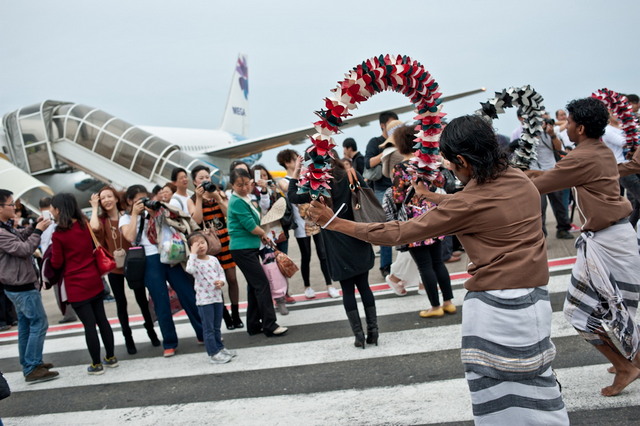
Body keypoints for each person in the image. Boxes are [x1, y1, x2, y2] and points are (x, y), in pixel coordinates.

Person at [308, 115, 569, 424]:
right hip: (537, 302)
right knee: (538, 385)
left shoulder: (469, 202)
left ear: (462, 160)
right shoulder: (518, 178)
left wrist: (333, 222)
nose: (452, 170)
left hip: (498, 311)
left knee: (498, 397)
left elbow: (398, 232)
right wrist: (431, 196)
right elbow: (469, 202)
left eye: (452, 164)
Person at [528, 97, 640, 397]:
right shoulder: (596, 150)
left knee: (579, 313)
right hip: (613, 237)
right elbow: (551, 175)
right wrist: (522, 173)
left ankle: (628, 365)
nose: (566, 127)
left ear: (580, 126)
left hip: (608, 241)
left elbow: (542, 183)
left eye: (569, 123)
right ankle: (631, 360)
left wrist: (505, 177)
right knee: (615, 310)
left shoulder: (584, 156)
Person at [288, 152, 378, 349]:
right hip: (357, 234)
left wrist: (296, 172)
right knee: (364, 286)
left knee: (347, 290)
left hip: (335, 242)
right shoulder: (349, 174)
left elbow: (293, 196)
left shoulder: (317, 186)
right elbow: (366, 191)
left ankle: (359, 336)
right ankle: (374, 331)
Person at [120, 185, 204, 357]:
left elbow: (173, 224)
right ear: (129, 201)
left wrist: (154, 211)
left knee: (188, 293)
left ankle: (203, 333)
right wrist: (136, 214)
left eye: (144, 198)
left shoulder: (156, 208)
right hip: (150, 260)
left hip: (170, 253)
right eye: (137, 200)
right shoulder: (126, 218)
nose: (142, 202)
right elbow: (129, 237)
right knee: (161, 301)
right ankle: (169, 342)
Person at [390, 125, 455, 318]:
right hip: (432, 217)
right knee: (438, 262)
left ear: (401, 145)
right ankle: (448, 302)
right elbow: (441, 182)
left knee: (424, 266)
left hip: (413, 221)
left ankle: (435, 307)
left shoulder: (400, 168)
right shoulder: (427, 163)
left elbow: (398, 197)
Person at [50, 193, 118, 375]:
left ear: (59, 209)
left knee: (89, 324)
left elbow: (56, 263)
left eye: (52, 207)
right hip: (94, 279)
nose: (51, 210)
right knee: (102, 319)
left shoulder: (59, 234)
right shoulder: (84, 224)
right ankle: (111, 357)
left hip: (75, 284)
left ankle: (96, 364)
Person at [90, 186, 160, 354]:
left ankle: (151, 332)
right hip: (115, 268)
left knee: (142, 300)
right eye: (102, 198)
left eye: (109, 196)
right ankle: (128, 338)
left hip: (134, 264)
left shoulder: (126, 216)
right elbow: (93, 228)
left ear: (115, 198)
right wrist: (93, 207)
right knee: (121, 304)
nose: (106, 200)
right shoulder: (102, 220)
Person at [0, 189, 59, 383]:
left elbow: (20, 236)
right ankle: (33, 366)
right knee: (39, 323)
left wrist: (34, 226)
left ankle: (29, 363)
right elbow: (24, 249)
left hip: (17, 284)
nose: (14, 208)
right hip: (21, 285)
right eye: (10, 204)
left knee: (26, 325)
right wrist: (39, 231)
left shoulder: (5, 227)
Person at [226, 168, 288, 337]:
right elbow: (250, 226)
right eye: (239, 185)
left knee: (255, 287)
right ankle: (270, 325)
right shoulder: (237, 201)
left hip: (248, 247)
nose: (244, 187)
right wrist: (263, 234)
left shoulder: (244, 197)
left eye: (246, 184)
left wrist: (262, 236)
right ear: (233, 184)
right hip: (242, 248)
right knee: (262, 285)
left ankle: (254, 325)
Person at [277, 149, 338, 299]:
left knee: (323, 254)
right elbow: (291, 192)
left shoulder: (306, 175)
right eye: (293, 159)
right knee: (306, 256)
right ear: (287, 162)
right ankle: (307, 286)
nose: (297, 162)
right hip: (300, 224)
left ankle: (330, 285)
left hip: (315, 220)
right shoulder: (284, 180)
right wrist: (298, 173)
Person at [188, 165, 244, 329]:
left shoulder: (219, 193)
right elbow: (196, 221)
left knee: (232, 278)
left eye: (207, 177)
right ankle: (225, 316)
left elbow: (230, 215)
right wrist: (199, 199)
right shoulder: (191, 199)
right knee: (215, 281)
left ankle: (235, 313)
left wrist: (218, 198)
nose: (205, 180)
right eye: (201, 178)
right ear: (194, 182)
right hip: (208, 246)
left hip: (225, 241)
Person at [512, 108, 573, 239]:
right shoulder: (517, 132)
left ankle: (563, 229)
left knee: (559, 203)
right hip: (534, 174)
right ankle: (541, 235)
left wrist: (551, 134)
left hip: (551, 170)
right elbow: (515, 153)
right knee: (539, 206)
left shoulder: (548, 128)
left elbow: (558, 149)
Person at [185, 232, 237, 364]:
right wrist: (193, 253)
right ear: (191, 248)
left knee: (217, 326)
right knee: (208, 329)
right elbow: (189, 270)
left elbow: (221, 273)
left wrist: (221, 282)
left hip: (217, 298)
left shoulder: (213, 259)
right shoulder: (194, 261)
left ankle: (220, 348)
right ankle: (213, 353)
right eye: (196, 245)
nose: (201, 246)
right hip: (204, 301)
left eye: (203, 242)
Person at [364, 111, 398, 277]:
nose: (393, 128)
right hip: (382, 190)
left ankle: (409, 263)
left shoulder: (402, 140)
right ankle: (386, 266)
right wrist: (386, 152)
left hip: (401, 187)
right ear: (382, 125)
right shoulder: (375, 142)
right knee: (385, 228)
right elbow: (368, 163)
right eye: (390, 125)